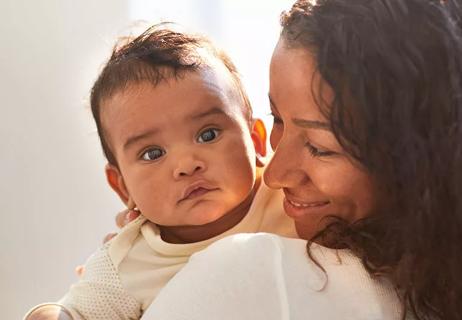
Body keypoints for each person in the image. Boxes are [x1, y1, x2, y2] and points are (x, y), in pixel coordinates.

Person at [140, 0, 462, 319]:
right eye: (277, 118)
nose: (273, 175)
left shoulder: (251, 272)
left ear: (418, 163)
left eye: (320, 147)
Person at [24, 23, 297, 320]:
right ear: (123, 187)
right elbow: (78, 312)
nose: (186, 164)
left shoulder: (291, 194)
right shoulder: (126, 261)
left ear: (256, 140)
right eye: (153, 153)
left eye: (208, 135)